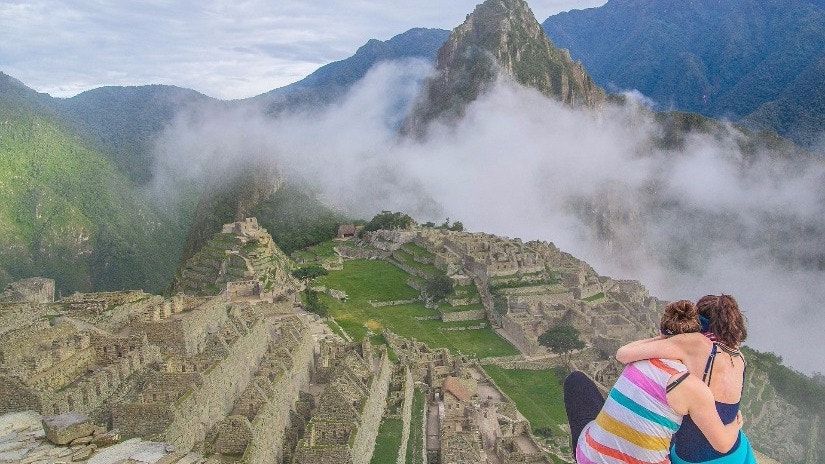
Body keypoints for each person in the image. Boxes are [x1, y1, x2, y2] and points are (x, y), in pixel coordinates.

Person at [564, 300, 742, 464]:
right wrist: (736, 424)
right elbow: (723, 444)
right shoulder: (695, 391)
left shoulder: (639, 359)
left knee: (576, 381)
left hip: (591, 459)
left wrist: (666, 339)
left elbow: (623, 353)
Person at [616, 294, 755, 463]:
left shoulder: (696, 343)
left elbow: (623, 354)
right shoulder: (739, 358)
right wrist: (734, 425)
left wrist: (662, 339)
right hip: (738, 451)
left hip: (694, 458)